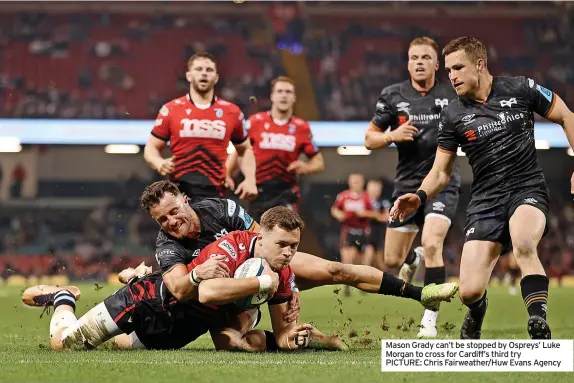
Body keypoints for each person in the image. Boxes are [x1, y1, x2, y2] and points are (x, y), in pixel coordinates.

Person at [390, 36, 574, 340]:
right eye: (448, 71)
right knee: (469, 291)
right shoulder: (452, 115)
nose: (452, 76)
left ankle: (538, 321)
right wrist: (420, 196)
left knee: (524, 243)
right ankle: (477, 309)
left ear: (480, 64)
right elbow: (440, 172)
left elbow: (566, 115)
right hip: (485, 202)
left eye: (458, 68)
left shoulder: (521, 89)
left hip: (526, 188)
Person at [22, 208, 343, 352]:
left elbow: (282, 332)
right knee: (65, 345)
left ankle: (133, 276)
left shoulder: (283, 275)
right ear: (261, 237)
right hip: (147, 302)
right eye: (282, 245)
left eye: (294, 247)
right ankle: (64, 297)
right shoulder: (233, 246)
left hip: (179, 328)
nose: (289, 254)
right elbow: (207, 291)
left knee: (119, 347)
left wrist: (295, 338)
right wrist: (262, 284)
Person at [130, 180, 459, 317]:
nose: (171, 222)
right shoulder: (168, 243)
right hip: (231, 298)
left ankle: (421, 294)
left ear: (185, 200)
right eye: (162, 219)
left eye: (174, 211)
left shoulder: (220, 209)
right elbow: (180, 287)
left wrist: (287, 281)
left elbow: (266, 241)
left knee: (335, 269)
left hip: (268, 271)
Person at [364, 36, 460, 338]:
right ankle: (412, 259)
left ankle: (429, 320)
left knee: (432, 243)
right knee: (392, 261)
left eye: (424, 57)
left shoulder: (453, 94)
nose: (418, 62)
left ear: (436, 64)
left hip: (442, 183)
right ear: (408, 63)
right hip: (405, 186)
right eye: (413, 57)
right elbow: (369, 139)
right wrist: (393, 135)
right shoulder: (393, 95)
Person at [143, 52, 257, 202]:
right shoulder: (170, 110)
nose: (204, 73)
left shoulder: (232, 112)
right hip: (180, 193)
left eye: (209, 70)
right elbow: (151, 147)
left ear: (216, 77)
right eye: (199, 69)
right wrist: (159, 163)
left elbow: (245, 149)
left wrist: (250, 179)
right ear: (188, 75)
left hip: (217, 192)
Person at [226, 76, 324, 221]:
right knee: (256, 238)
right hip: (257, 192)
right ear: (272, 96)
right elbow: (240, 150)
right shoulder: (255, 122)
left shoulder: (301, 127)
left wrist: (306, 167)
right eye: (280, 91)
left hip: (285, 192)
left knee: (283, 236)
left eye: (288, 92)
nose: (284, 95)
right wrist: (226, 174)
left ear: (294, 98)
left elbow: (319, 162)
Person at [330, 173, 381, 296]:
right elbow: (334, 209)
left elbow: (377, 214)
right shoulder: (343, 196)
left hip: (364, 232)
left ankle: (365, 284)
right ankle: (347, 285)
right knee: (347, 259)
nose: (356, 184)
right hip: (349, 231)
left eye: (358, 181)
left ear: (362, 183)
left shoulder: (367, 197)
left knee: (367, 260)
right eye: (354, 181)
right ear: (349, 182)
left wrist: (365, 213)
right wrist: (339, 215)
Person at [364, 179, 391, 270]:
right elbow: (360, 212)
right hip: (364, 232)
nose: (376, 191)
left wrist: (372, 214)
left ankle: (386, 278)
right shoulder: (363, 200)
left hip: (379, 233)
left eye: (378, 188)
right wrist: (377, 215)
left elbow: (386, 217)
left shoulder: (384, 202)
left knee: (380, 259)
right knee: (368, 255)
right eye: (374, 188)